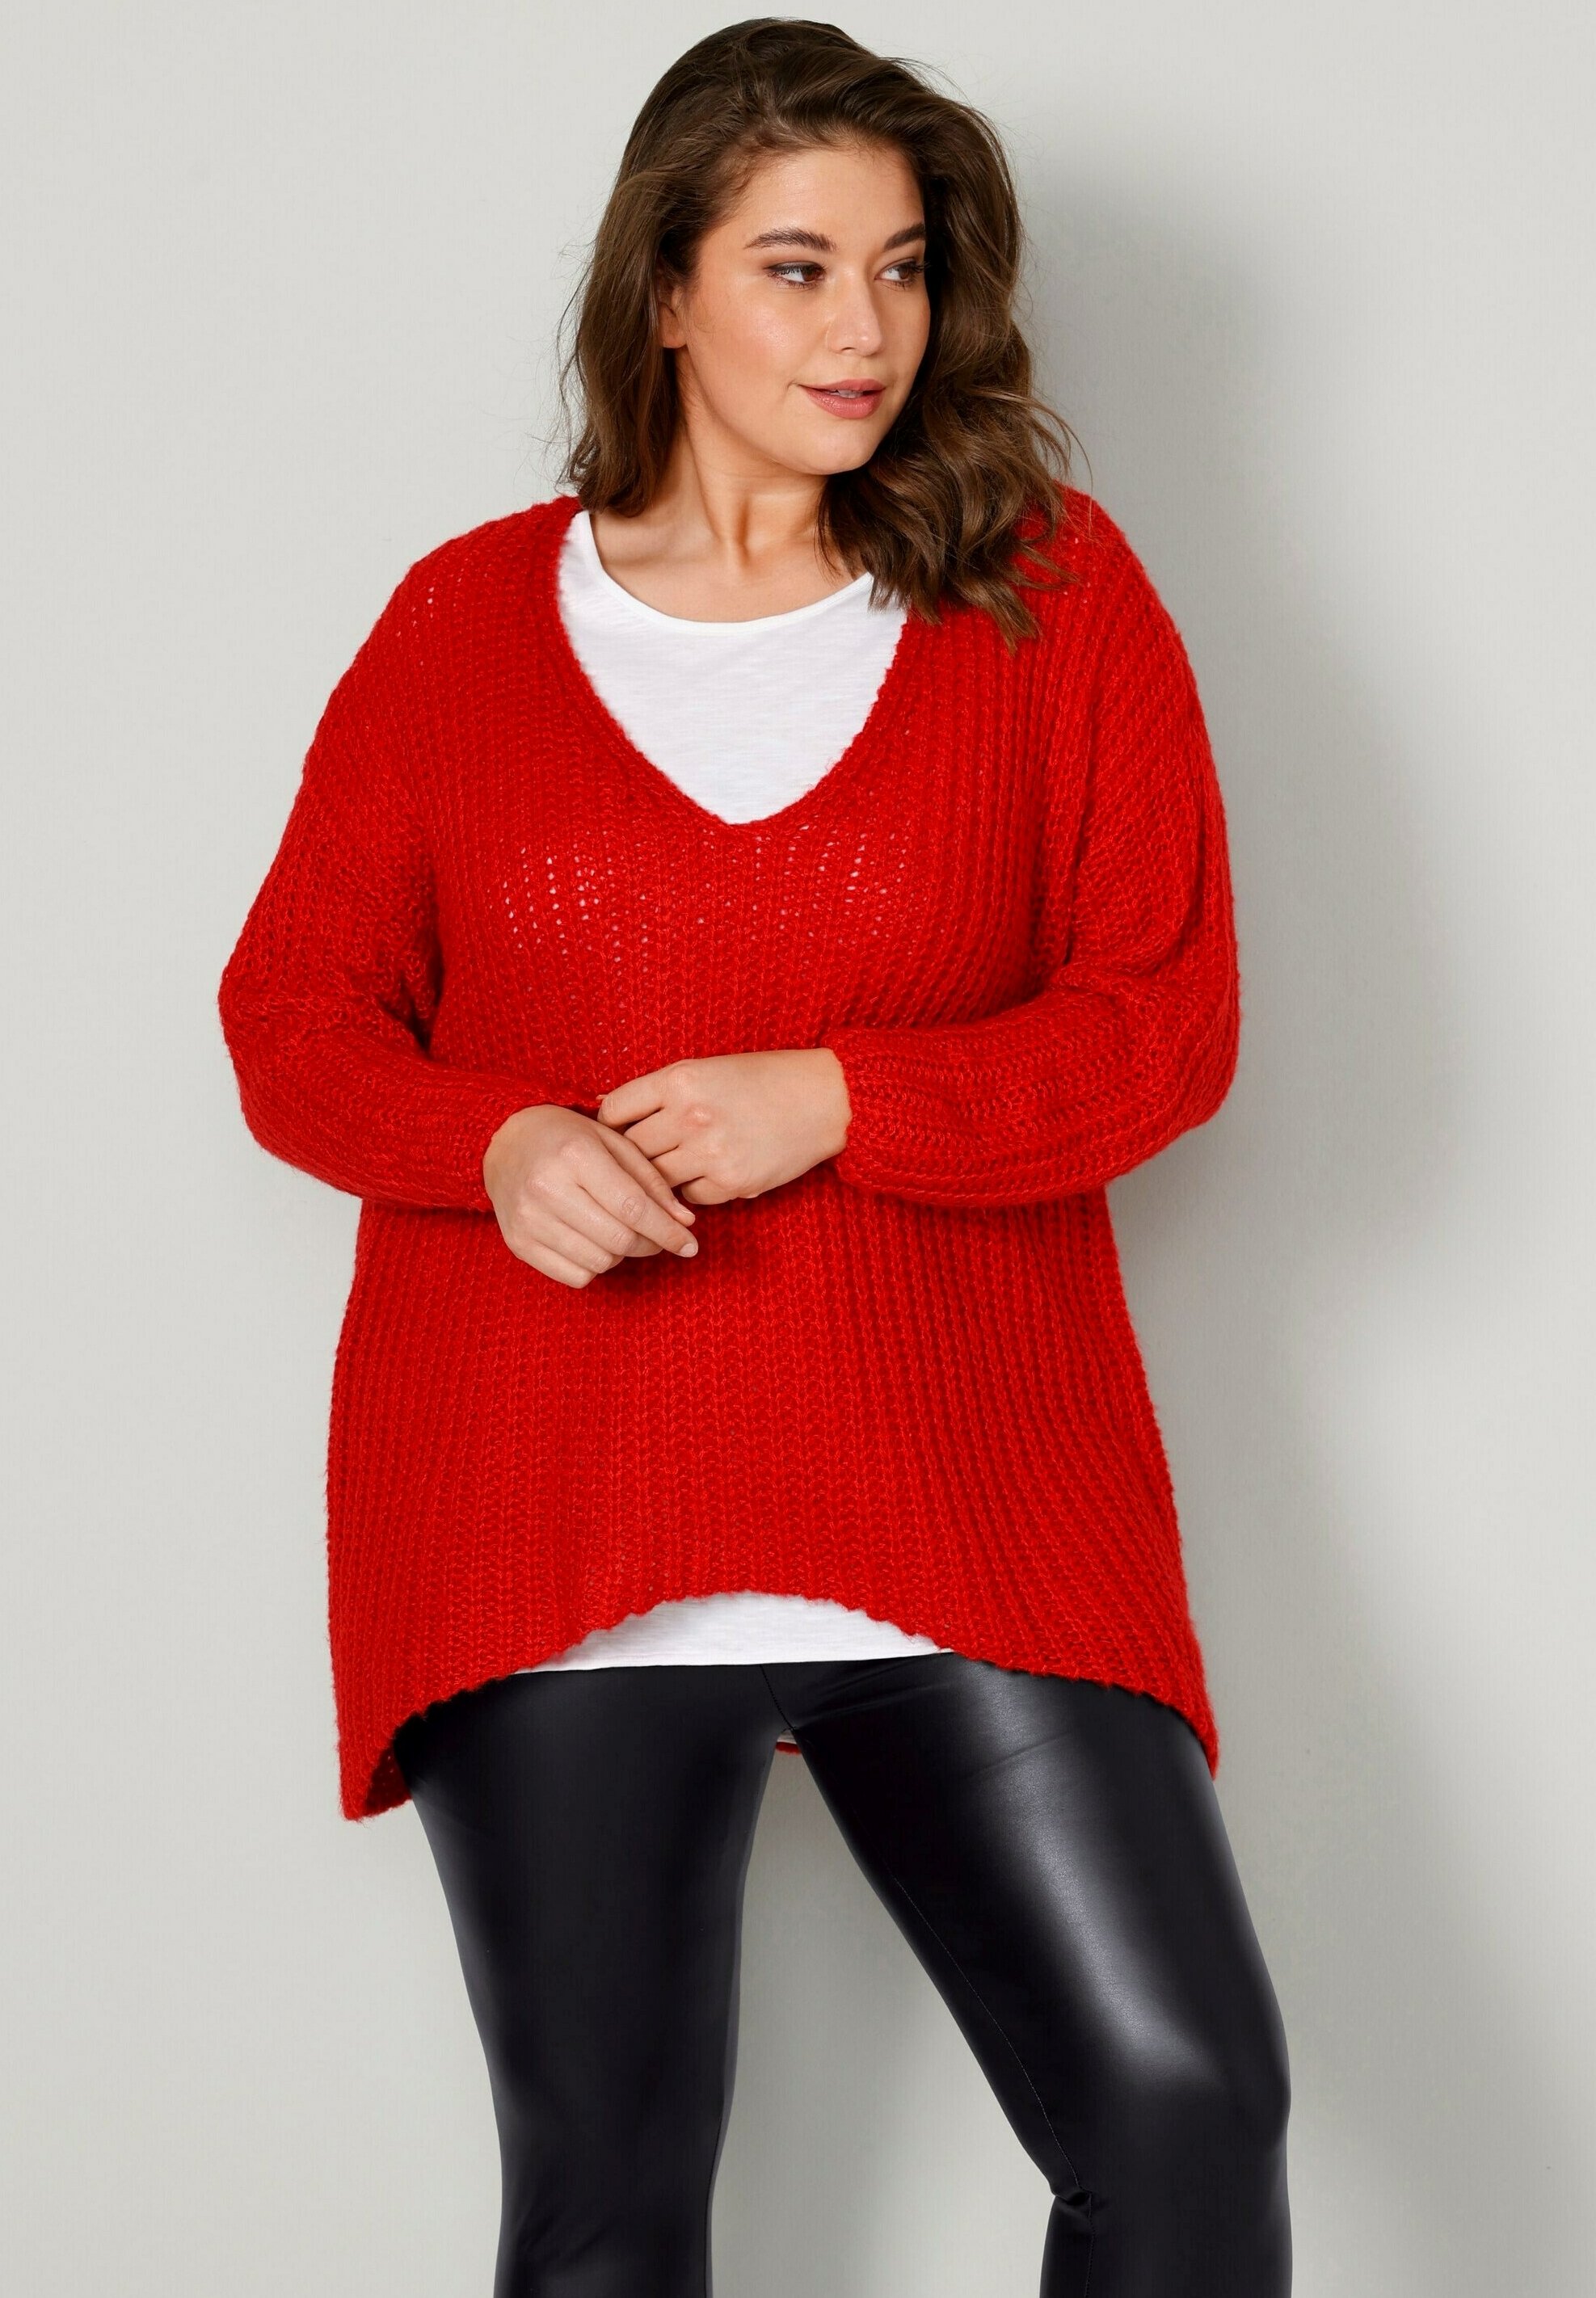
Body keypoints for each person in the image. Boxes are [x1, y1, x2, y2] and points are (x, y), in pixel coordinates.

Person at [218, 19, 1292, 2296]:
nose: (865, 328)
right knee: (608, 2213)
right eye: (797, 268)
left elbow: (1164, 1026)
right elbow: (293, 1024)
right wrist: (493, 1135)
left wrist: (843, 1096)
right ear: (666, 292)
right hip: (552, 1509)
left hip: (967, 1506)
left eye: (903, 268)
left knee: (1185, 2107)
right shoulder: (459, 628)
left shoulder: (1049, 595)